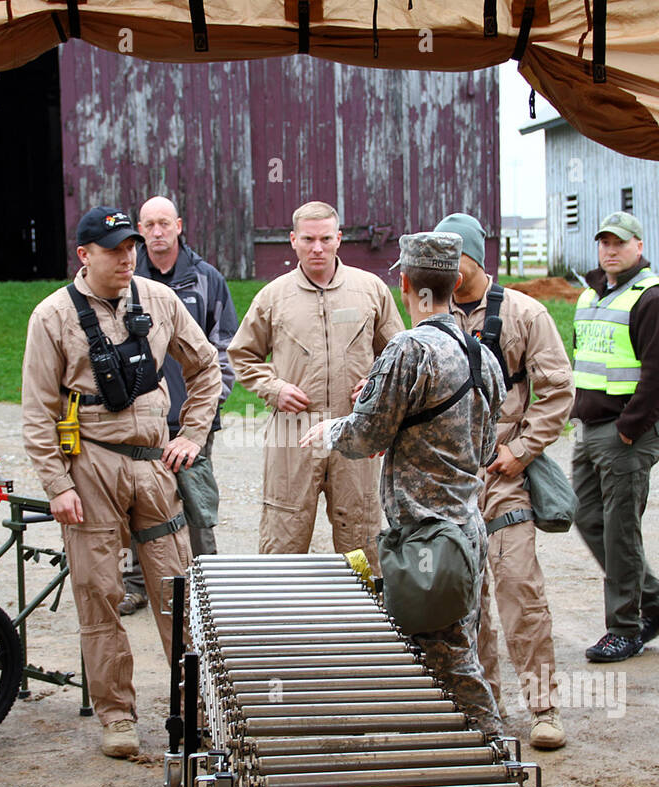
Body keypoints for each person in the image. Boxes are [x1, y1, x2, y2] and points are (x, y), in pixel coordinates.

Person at [21, 206, 222, 758]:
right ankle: (116, 717)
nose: (127, 256)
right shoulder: (52, 316)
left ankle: (196, 711)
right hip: (90, 467)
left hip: (155, 464)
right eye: (113, 249)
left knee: (175, 590)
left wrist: (193, 435)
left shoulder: (159, 301)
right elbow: (38, 411)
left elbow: (207, 368)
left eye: (130, 246)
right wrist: (58, 485)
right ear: (84, 255)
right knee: (99, 593)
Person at [300, 232, 505, 739]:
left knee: (449, 663)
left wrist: (331, 431)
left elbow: (368, 432)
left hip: (427, 539)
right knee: (453, 649)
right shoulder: (483, 356)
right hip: (468, 530)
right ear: (457, 283)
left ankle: (496, 763)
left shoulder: (409, 349)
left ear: (406, 283)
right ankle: (462, 759)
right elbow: (483, 452)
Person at [437, 213, 575, 750]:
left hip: (504, 473)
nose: (444, 274)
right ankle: (482, 705)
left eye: (452, 263)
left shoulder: (525, 313)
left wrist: (521, 451)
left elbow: (558, 391)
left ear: (473, 259)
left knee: (518, 583)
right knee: (463, 596)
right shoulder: (431, 314)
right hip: (450, 476)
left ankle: (543, 707)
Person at [229, 201, 404, 571]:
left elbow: (399, 355)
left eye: (326, 238)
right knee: (284, 530)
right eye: (308, 239)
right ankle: (281, 619)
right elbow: (241, 355)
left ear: (339, 239)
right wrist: (274, 388)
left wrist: (375, 384)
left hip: (353, 430)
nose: (317, 248)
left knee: (360, 530)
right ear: (293, 241)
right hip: (292, 432)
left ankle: (364, 615)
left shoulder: (369, 289)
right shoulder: (273, 297)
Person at [570, 211, 659, 663]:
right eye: (604, 242)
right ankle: (657, 599)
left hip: (624, 432)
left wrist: (628, 429)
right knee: (585, 517)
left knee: (620, 533)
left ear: (639, 246)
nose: (610, 250)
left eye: (619, 243)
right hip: (591, 428)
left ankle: (625, 627)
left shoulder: (655, 299)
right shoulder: (591, 296)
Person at [118, 195, 237, 615]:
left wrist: (202, 411)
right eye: (148, 224)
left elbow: (225, 350)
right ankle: (135, 585)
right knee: (137, 501)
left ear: (179, 226)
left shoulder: (206, 280)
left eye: (164, 223)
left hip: (191, 423)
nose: (156, 232)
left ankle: (206, 586)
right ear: (139, 229)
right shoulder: (125, 282)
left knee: (194, 503)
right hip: (140, 421)